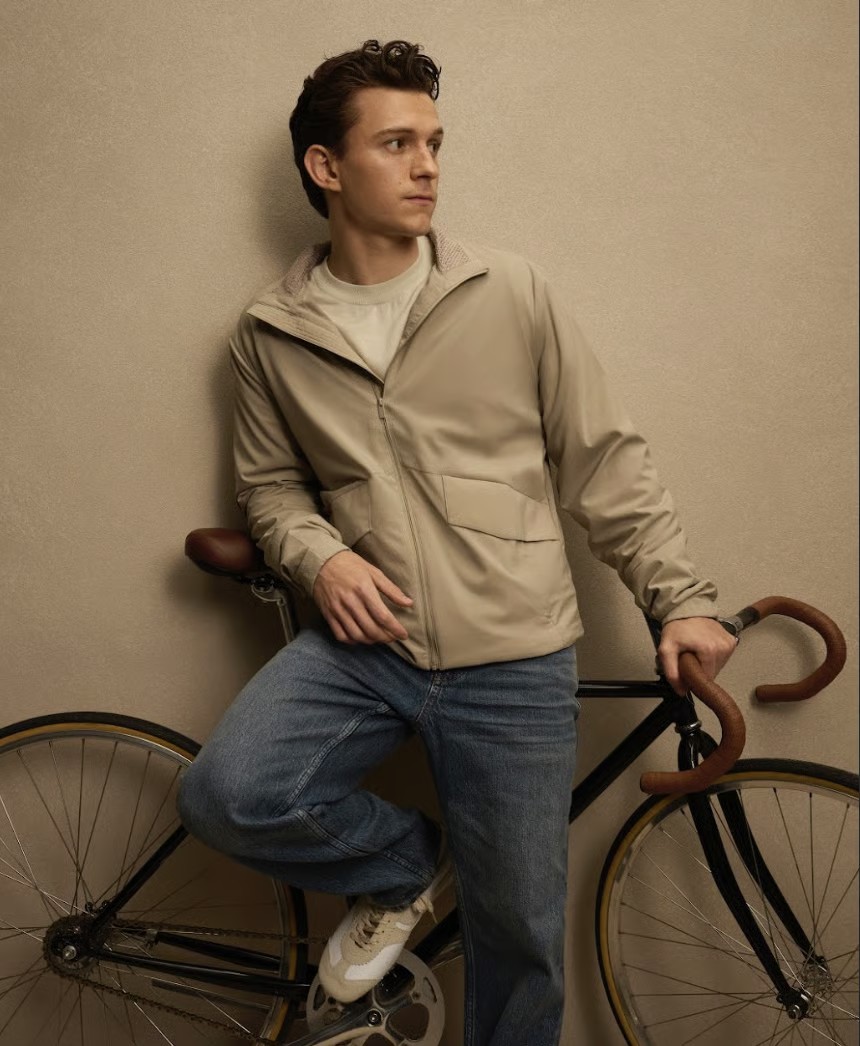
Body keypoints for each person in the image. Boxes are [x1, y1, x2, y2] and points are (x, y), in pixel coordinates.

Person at [178, 38, 737, 1046]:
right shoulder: (269, 331)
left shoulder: (510, 289)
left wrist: (679, 598)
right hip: (364, 647)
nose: (428, 165)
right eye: (396, 143)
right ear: (325, 166)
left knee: (519, 936)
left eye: (434, 142)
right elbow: (269, 488)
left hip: (514, 654)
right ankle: (404, 866)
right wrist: (320, 558)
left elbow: (602, 459)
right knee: (227, 792)